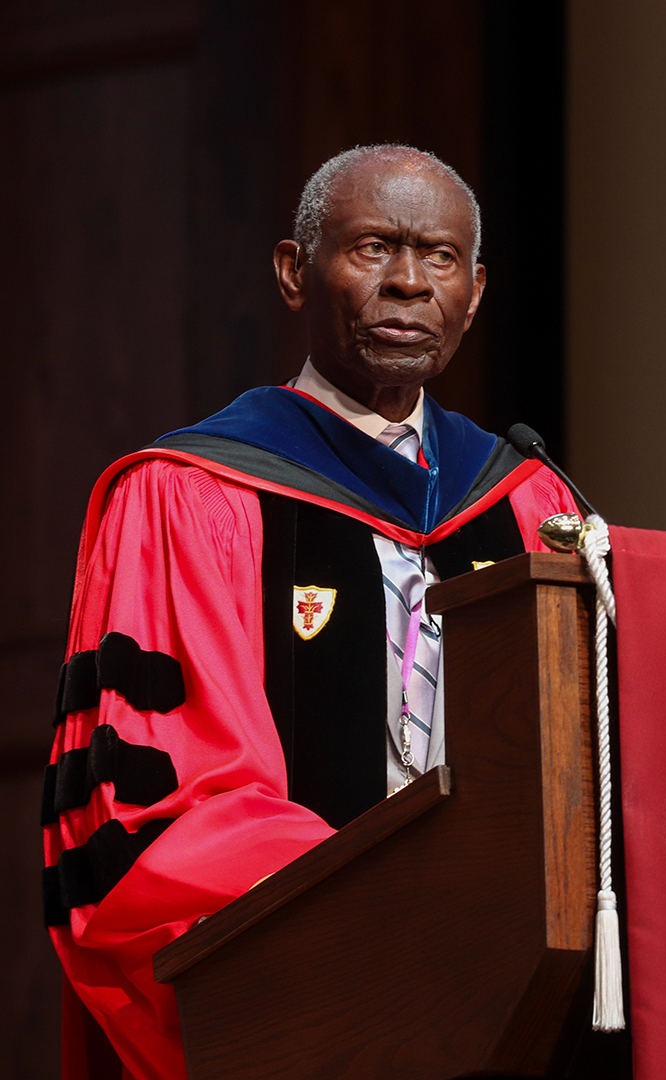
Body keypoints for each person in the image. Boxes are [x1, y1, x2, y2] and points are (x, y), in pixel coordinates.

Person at [42, 144, 577, 1080]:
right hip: (308, 1001)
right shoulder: (190, 494)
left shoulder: (529, 502)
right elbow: (166, 805)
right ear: (295, 271)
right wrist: (395, 907)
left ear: (477, 291)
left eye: (440, 259)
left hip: (502, 1006)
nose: (408, 284)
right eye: (374, 248)